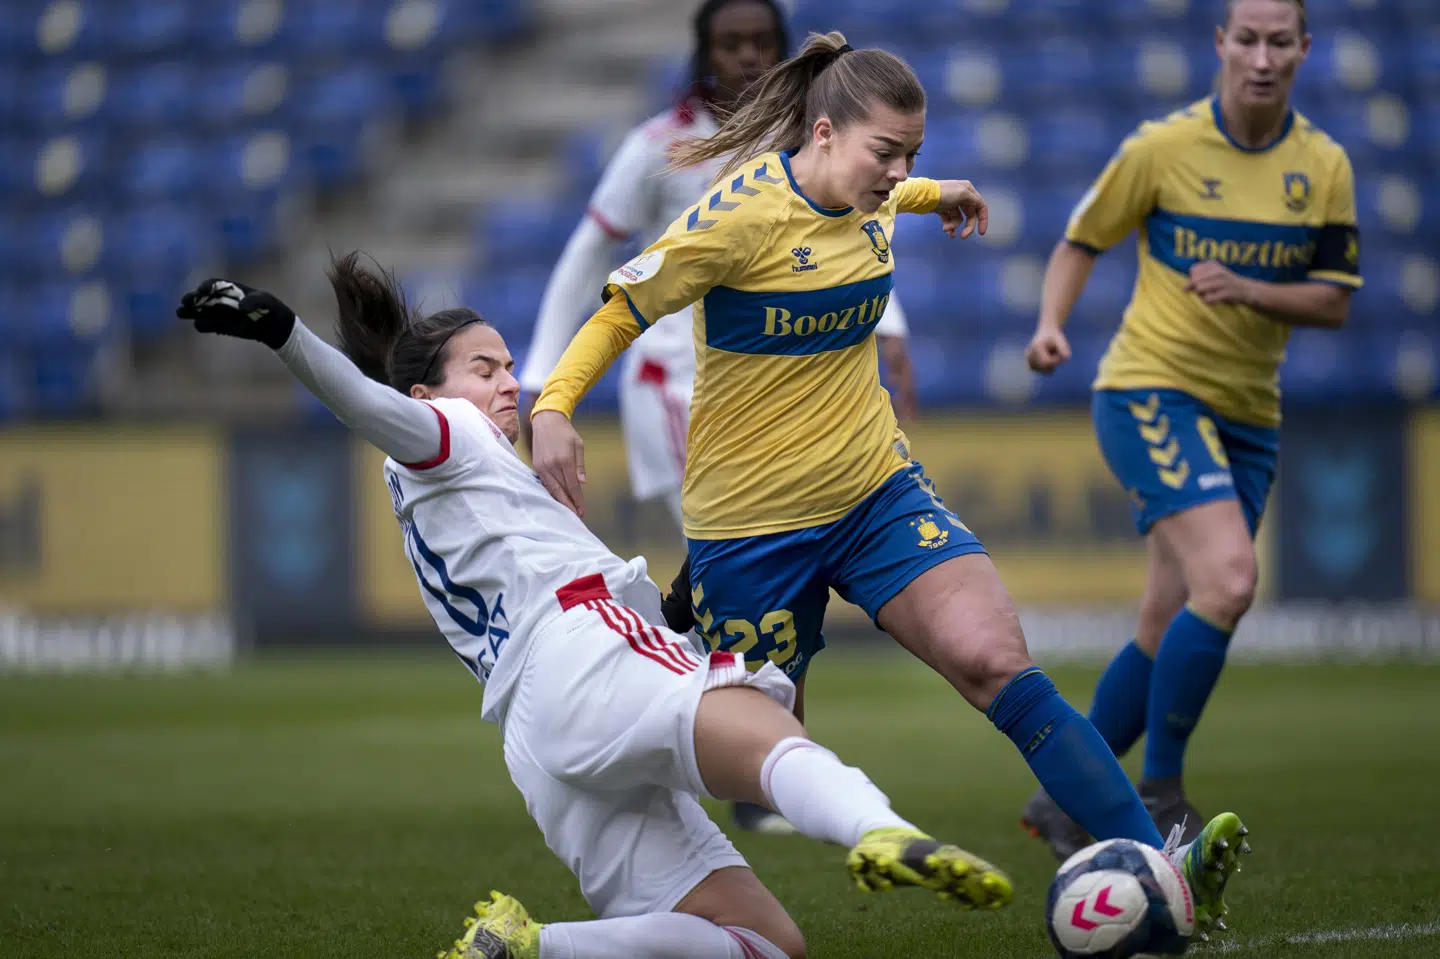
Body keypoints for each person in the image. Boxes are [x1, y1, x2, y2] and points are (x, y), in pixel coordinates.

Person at [528, 30, 1250, 938]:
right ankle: (649, 895)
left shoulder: (872, 191)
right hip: (750, 528)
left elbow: (883, 193)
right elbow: (621, 305)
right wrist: (553, 405)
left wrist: (936, 191)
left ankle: (1162, 870)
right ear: (822, 133)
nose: (898, 171)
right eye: (886, 153)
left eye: (913, 153)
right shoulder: (733, 219)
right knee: (749, 757)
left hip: (875, 492)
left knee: (996, 661)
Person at [175, 265, 1014, 959]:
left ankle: (532, 947)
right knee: (767, 730)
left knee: (764, 946)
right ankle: (882, 828)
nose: (509, 383)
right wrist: (281, 328)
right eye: (486, 367)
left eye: (509, 366)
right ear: (430, 389)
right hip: (581, 657)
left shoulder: (456, 485)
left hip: (539, 734)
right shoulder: (448, 434)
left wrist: (676, 605)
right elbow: (367, 405)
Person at [519, 0, 916, 835]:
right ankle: (752, 750)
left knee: (750, 574)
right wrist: (541, 374)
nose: (743, 57)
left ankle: (705, 661)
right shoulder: (659, 145)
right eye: (728, 43)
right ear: (702, 52)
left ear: (782, 52)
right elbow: (592, 255)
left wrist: (893, 327)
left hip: (785, 387)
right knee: (753, 561)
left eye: (758, 43)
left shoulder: (812, 141)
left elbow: (850, 234)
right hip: (677, 381)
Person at [1022, 0, 1358, 861]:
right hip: (1149, 391)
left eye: (1279, 41)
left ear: (1303, 51)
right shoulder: (1160, 148)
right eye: (1245, 38)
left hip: (1249, 415)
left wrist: (1250, 290)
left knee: (1167, 614)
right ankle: (1160, 788)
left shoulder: (1323, 165)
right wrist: (1051, 322)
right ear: (1220, 44)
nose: (1261, 56)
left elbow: (1334, 298)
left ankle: (1063, 801)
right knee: (1232, 578)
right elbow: (1080, 239)